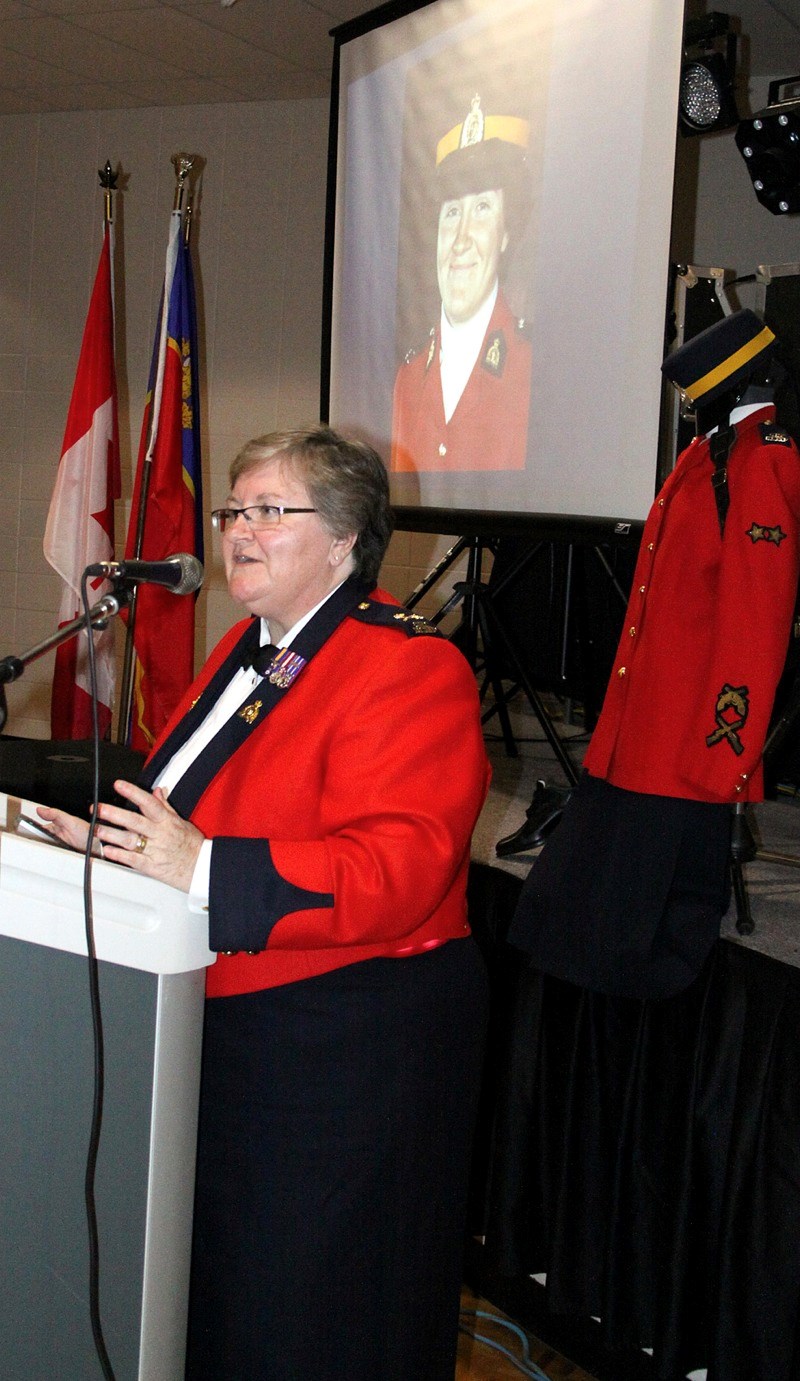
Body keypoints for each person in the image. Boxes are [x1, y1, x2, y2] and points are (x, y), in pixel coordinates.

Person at [38, 426, 492, 1379]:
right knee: (236, 1299)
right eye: (234, 509)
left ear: (343, 538)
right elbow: (189, 809)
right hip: (241, 1024)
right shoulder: (256, 649)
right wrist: (117, 851)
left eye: (268, 510)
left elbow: (396, 871)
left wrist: (199, 866)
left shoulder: (407, 664)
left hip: (346, 1046)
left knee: (313, 1311)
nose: (239, 529)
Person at [507, 310, 800, 999]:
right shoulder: (710, 455)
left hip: (687, 737)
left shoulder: (766, 459)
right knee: (566, 913)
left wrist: (721, 748)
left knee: (641, 936)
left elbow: (755, 625)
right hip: (641, 726)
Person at [391, 94, 532, 473]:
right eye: (452, 212)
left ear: (504, 236)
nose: (461, 239)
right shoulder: (408, 377)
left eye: (483, 208)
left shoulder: (532, 368)